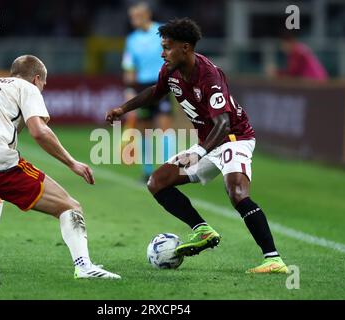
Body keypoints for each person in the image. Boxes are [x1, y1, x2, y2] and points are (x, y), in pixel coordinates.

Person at [106, 18, 288, 273]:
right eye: (162, 46)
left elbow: (223, 124)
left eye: (167, 47)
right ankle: (202, 230)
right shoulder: (170, 71)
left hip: (234, 138)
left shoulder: (209, 76)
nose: (162, 53)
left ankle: (273, 259)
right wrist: (123, 108)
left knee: (237, 193)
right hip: (208, 142)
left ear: (186, 48)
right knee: (157, 181)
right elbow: (155, 92)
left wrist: (198, 152)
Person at [0, 55, 120, 280]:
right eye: (44, 84)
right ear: (36, 79)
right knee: (70, 206)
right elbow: (39, 132)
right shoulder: (28, 88)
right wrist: (72, 163)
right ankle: (84, 266)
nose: (43, 89)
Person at [122, 2, 175, 181]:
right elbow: (130, 66)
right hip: (143, 87)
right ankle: (147, 172)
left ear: (146, 15)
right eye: (131, 17)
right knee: (144, 130)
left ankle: (170, 171)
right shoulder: (131, 40)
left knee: (165, 128)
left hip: (162, 83)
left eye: (136, 16)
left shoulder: (162, 32)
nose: (133, 20)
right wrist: (129, 89)